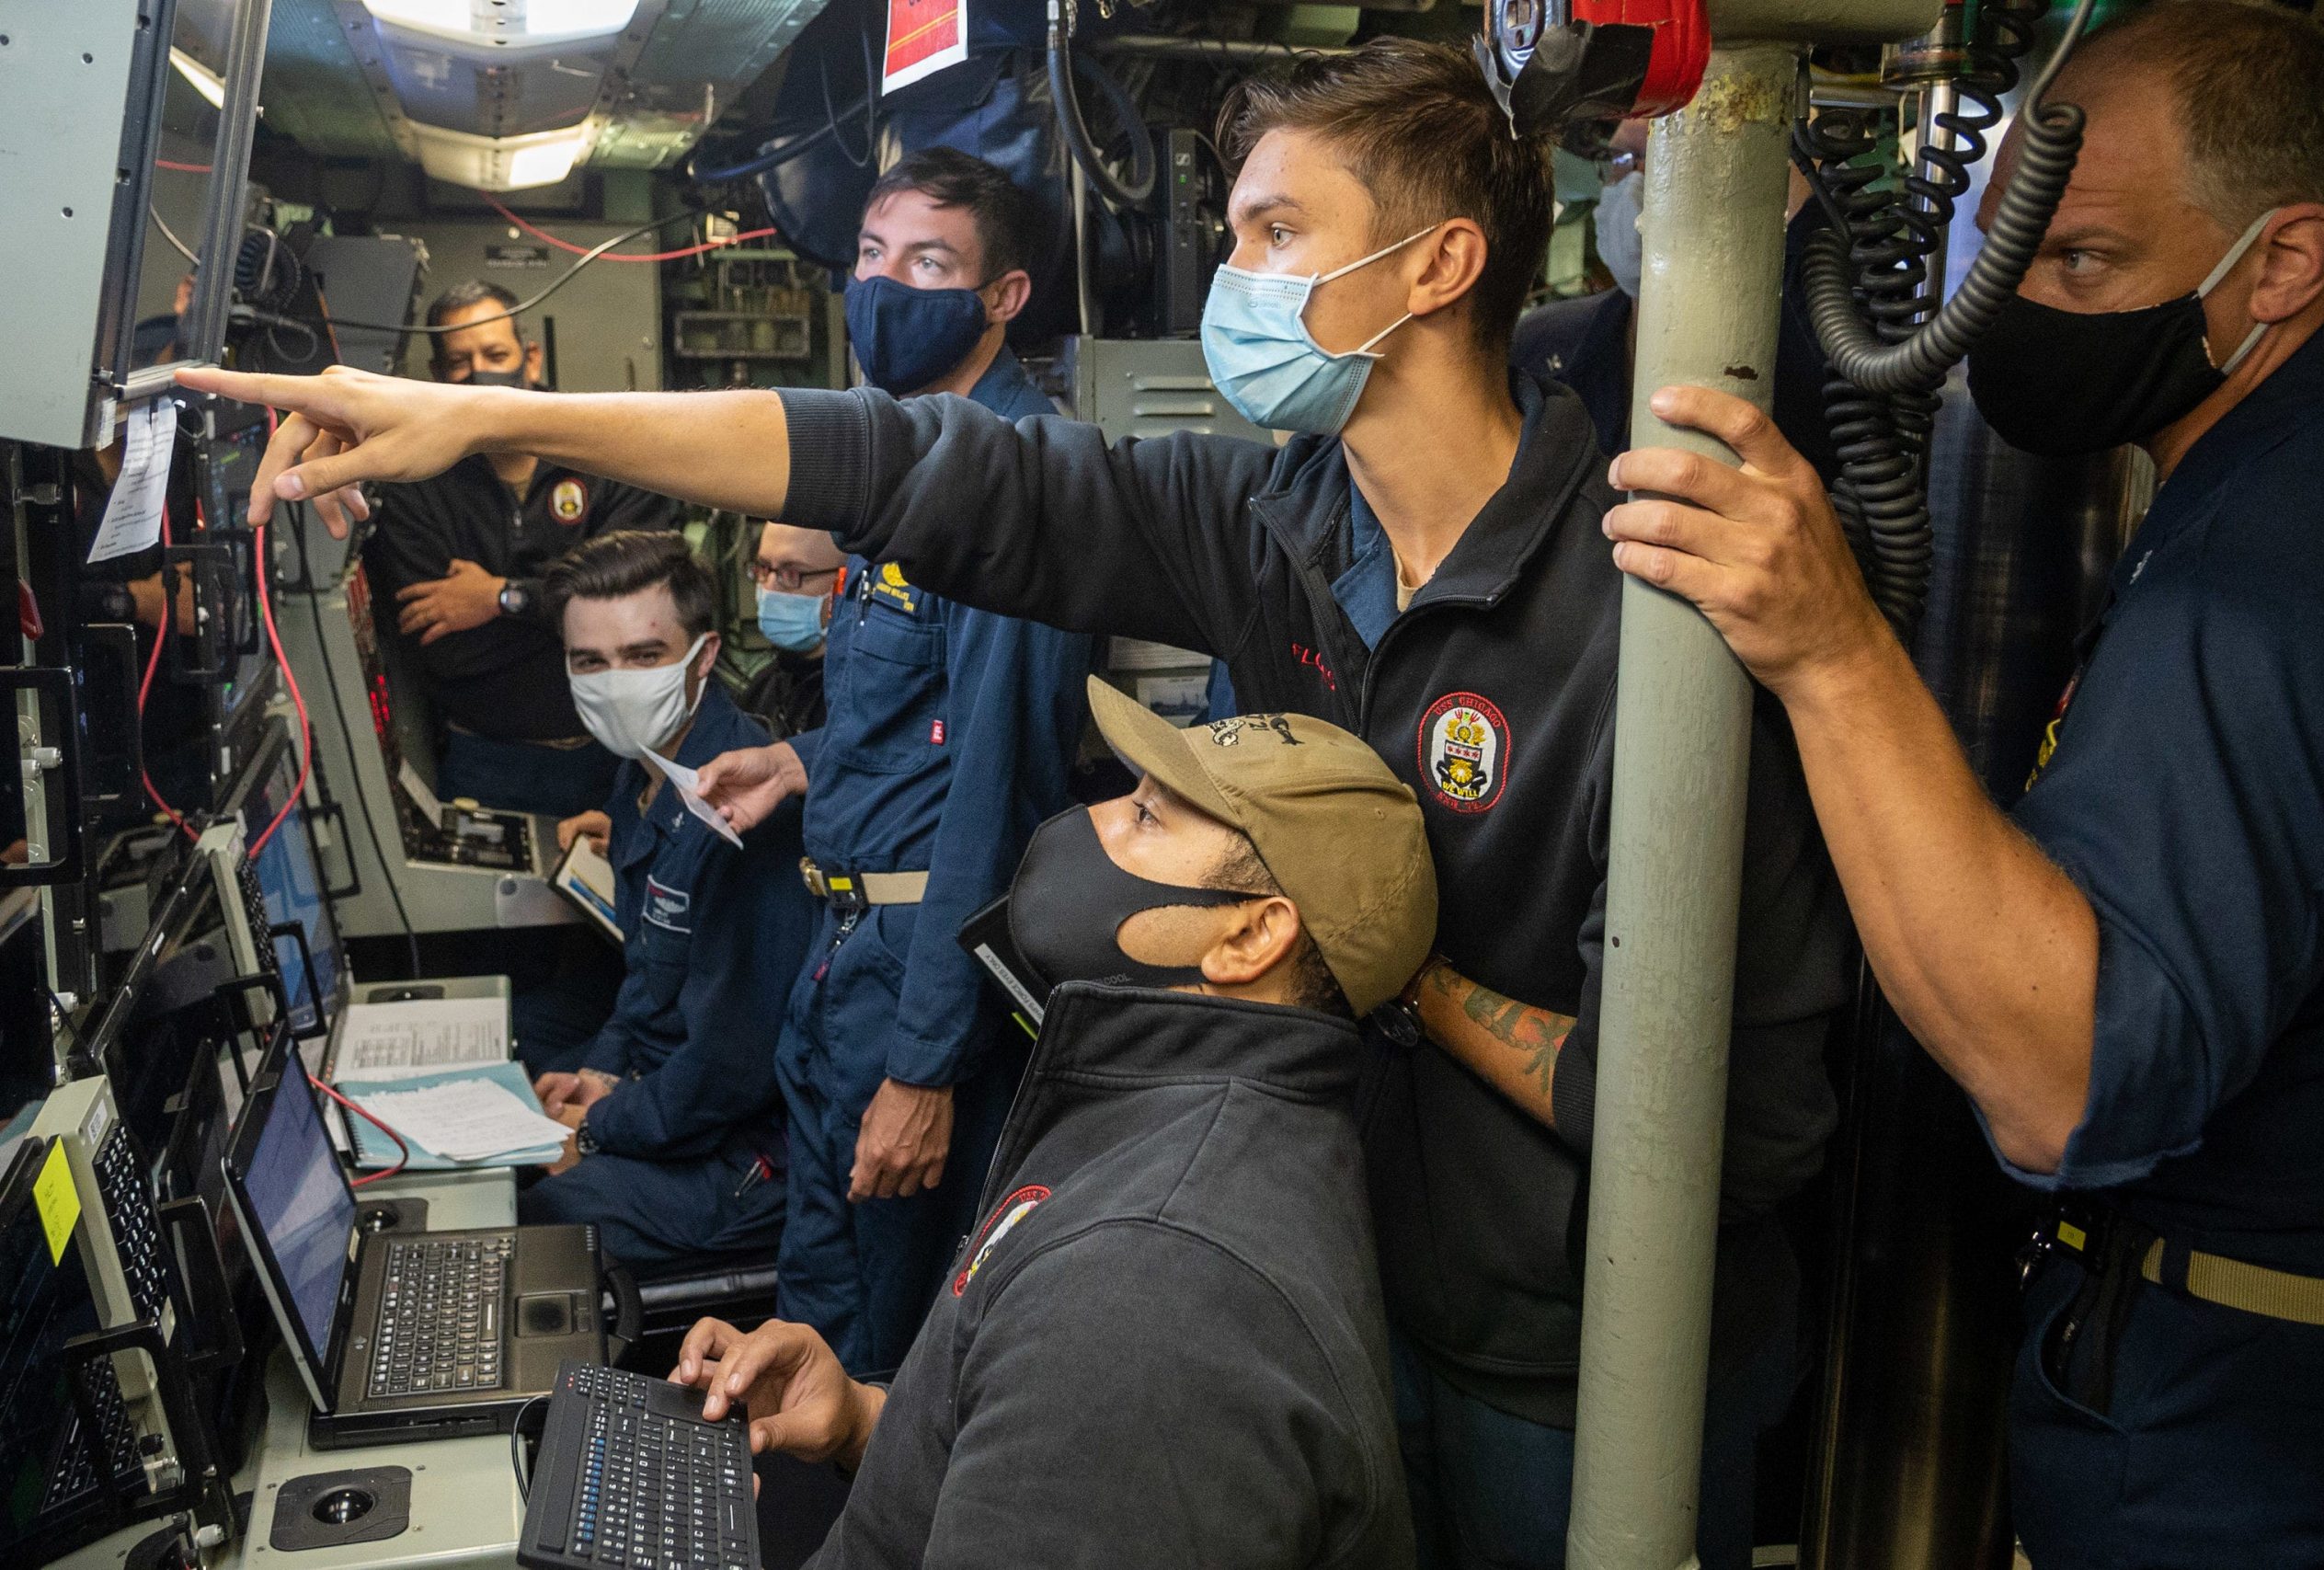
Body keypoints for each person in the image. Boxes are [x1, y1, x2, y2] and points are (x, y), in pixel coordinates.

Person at [182, 43, 1846, 1569]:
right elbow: (917, 470)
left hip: (1563, 1361)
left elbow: (1734, 1115)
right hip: (1342, 1270)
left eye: (1277, 234)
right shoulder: (1274, 521)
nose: (1235, 284)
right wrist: (492, 412)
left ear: (1436, 264)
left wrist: (1393, 969)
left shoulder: (1646, 607)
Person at [1591, 6, 2324, 1564]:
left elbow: (2061, 1067)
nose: (2015, 313)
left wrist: (1831, 652)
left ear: (2282, 267)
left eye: (2078, 265)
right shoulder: (2282, 463)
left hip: (2240, 1439)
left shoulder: (2262, 585)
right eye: (2007, 258)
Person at [670, 678, 1434, 1570]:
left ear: (1250, 939)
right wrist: (865, 1422)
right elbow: (1060, 1484)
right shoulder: (1153, 1114)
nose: (1092, 821)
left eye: (1149, 819)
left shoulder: (1157, 1285)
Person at [747, 146, 1094, 1376]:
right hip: (841, 950)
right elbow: (918, 719)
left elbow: (998, 792)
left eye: (930, 264)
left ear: (1003, 295)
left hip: (917, 979)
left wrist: (923, 1064)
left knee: (881, 1349)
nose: (888, 288)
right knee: (815, 1301)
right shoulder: (902, 464)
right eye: (872, 258)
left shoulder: (1011, 484)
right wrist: (803, 764)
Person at [513, 531, 801, 1272]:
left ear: (703, 657)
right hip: (675, 1091)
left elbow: (730, 1069)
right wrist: (602, 1071)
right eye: (590, 662)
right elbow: (646, 978)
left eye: (644, 657)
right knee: (525, 1090)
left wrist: (601, 1128)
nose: (616, 683)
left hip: (747, 1152)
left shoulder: (739, 814)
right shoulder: (643, 779)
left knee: (547, 1217)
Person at [362, 281, 681, 817]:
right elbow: (445, 650)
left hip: (624, 753)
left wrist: (502, 598)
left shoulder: (605, 450)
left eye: (495, 354)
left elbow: (643, 609)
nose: (480, 371)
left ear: (529, 358)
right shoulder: (415, 480)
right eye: (460, 362)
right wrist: (576, 616)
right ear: (440, 377)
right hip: (487, 760)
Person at [1511, 120, 1839, 478]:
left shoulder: (1824, 346)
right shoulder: (1541, 341)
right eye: (1627, 158)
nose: (1641, 179)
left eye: (1671, 155)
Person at [736, 521, 837, 740]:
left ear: (845, 582)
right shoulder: (761, 691)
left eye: (792, 573)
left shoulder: (861, 702)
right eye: (763, 568)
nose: (769, 586)